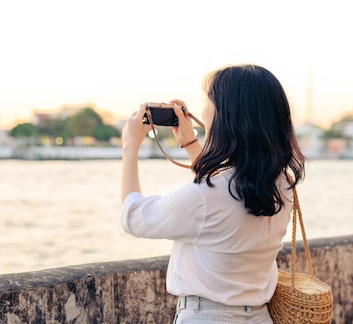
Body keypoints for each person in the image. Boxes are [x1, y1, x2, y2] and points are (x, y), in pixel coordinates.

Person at [120, 64, 305, 324]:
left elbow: (134, 217)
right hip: (260, 317)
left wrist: (130, 146)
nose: (204, 110)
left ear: (227, 114)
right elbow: (224, 193)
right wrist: (190, 143)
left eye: (208, 101)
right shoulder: (282, 187)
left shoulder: (208, 196)